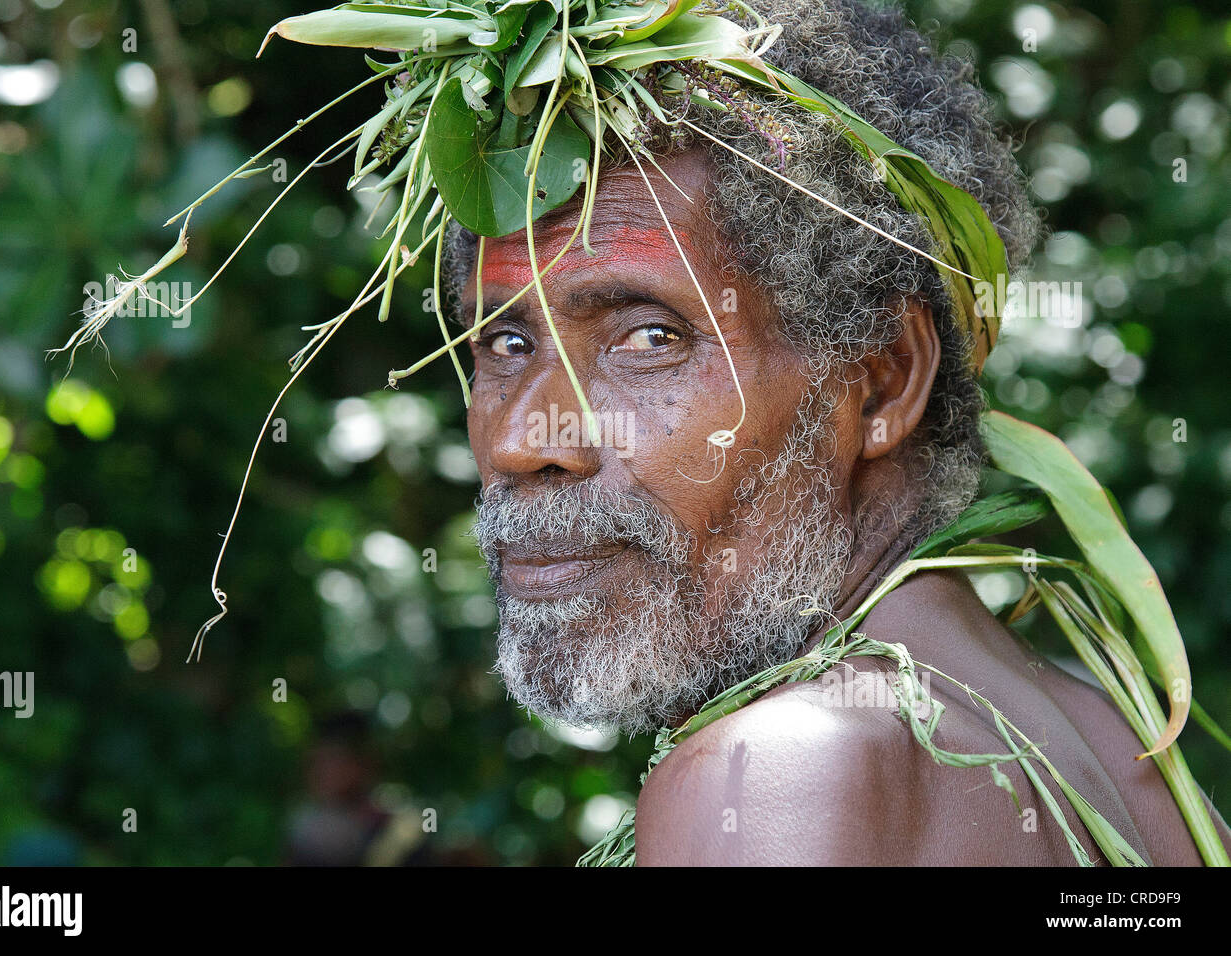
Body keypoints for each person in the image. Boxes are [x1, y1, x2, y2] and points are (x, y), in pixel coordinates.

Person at [438, 0, 1231, 865]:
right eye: (506, 343)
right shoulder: (1119, 752)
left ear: (884, 377)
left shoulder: (784, 770)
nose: (522, 439)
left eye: (650, 339)